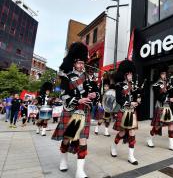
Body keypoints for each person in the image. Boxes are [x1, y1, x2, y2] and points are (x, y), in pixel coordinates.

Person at [51, 42, 100, 178]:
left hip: (84, 111)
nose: (81, 65)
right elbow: (64, 94)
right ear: (74, 63)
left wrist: (94, 95)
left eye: (83, 62)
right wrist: (78, 100)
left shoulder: (88, 77)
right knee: (67, 138)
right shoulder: (66, 76)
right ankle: (63, 160)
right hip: (71, 110)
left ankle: (80, 171)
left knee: (83, 139)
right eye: (79, 62)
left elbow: (96, 91)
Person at [110, 60, 141, 165]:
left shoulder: (132, 85)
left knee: (132, 132)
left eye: (132, 73)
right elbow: (119, 99)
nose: (131, 75)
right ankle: (114, 146)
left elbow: (135, 96)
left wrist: (138, 100)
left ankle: (131, 156)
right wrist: (129, 103)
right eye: (129, 74)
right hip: (123, 111)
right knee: (122, 133)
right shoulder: (119, 85)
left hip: (131, 112)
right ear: (125, 74)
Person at [146, 65, 173, 151]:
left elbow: (171, 93)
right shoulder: (156, 84)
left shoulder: (167, 83)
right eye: (162, 74)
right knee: (157, 126)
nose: (164, 75)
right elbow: (158, 97)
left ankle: (171, 144)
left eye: (165, 74)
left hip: (167, 107)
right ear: (159, 74)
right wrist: (169, 98)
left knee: (171, 124)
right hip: (160, 107)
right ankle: (150, 138)